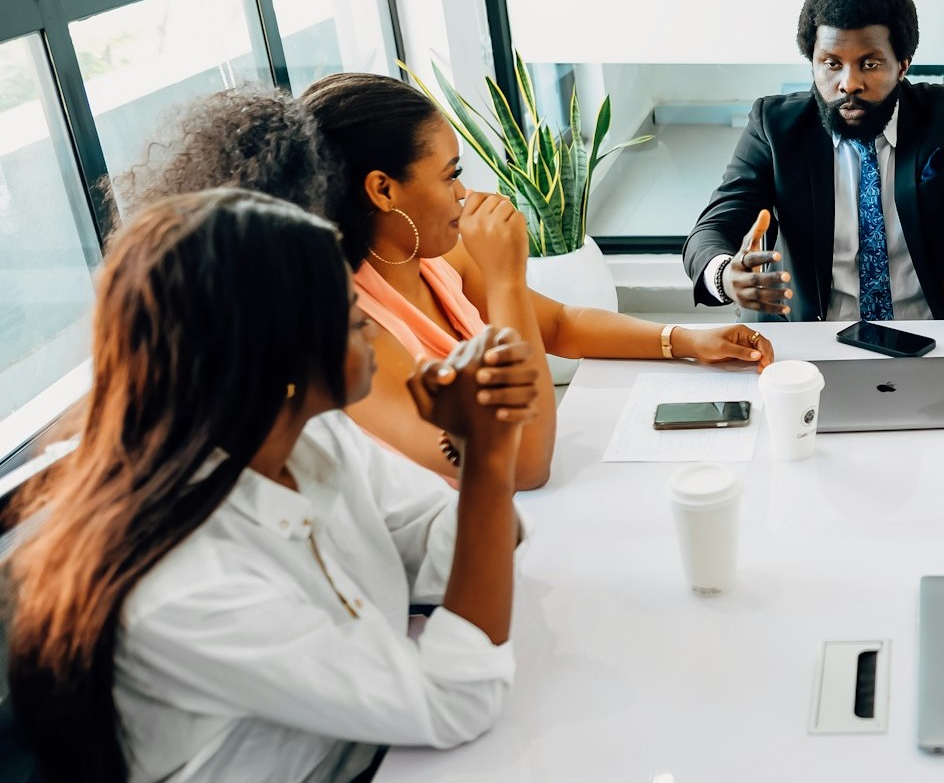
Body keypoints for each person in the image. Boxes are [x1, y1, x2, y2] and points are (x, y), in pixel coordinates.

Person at [5, 190, 539, 783]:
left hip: (374, 770)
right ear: (271, 347)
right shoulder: (184, 584)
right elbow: (455, 700)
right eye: (345, 309)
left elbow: (472, 546)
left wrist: (478, 450)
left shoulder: (310, 435)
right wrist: (491, 454)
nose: (362, 313)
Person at [131, 79, 771, 488]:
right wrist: (507, 280)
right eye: (450, 174)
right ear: (383, 189)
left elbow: (561, 327)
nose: (465, 193)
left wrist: (685, 340)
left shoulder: (431, 259)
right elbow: (523, 464)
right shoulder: (347, 329)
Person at [682, 0, 944, 321]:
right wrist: (724, 276)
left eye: (869, 64)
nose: (848, 83)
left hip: (931, 324)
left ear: (903, 65)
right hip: (814, 332)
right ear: (813, 62)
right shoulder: (774, 125)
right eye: (831, 64)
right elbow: (712, 229)